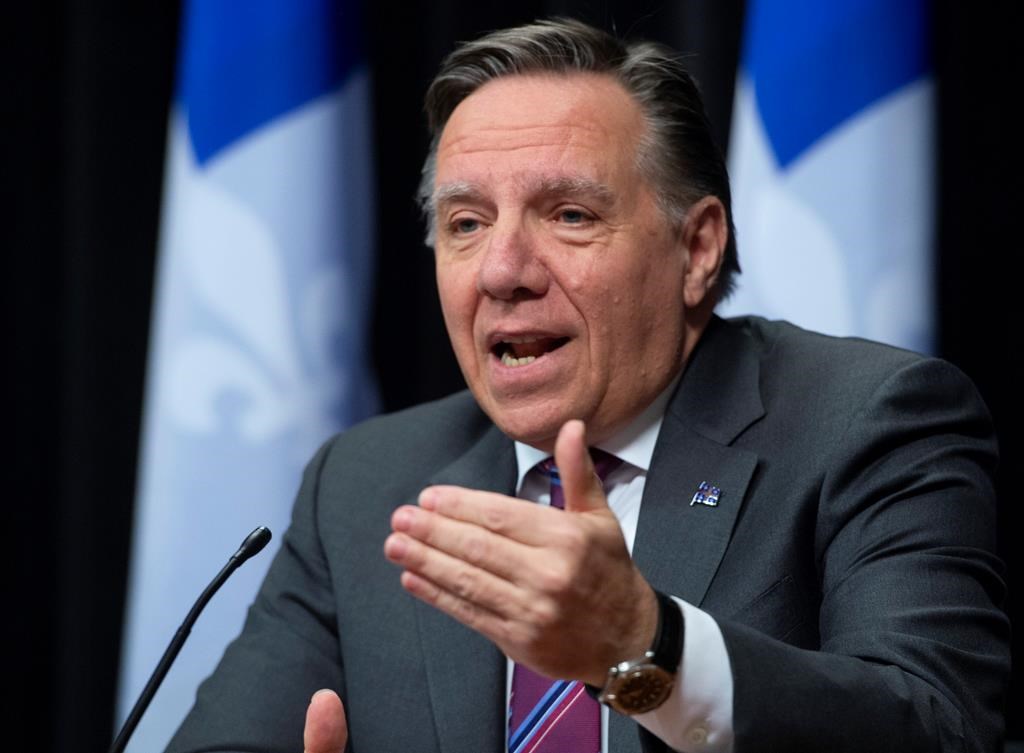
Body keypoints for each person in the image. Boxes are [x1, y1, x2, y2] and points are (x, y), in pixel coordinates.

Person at [167, 18, 1010, 753]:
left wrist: (645, 644)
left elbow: (939, 726)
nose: (502, 270)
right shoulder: (366, 481)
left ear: (698, 248)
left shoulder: (868, 421)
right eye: (466, 223)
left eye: (570, 215)